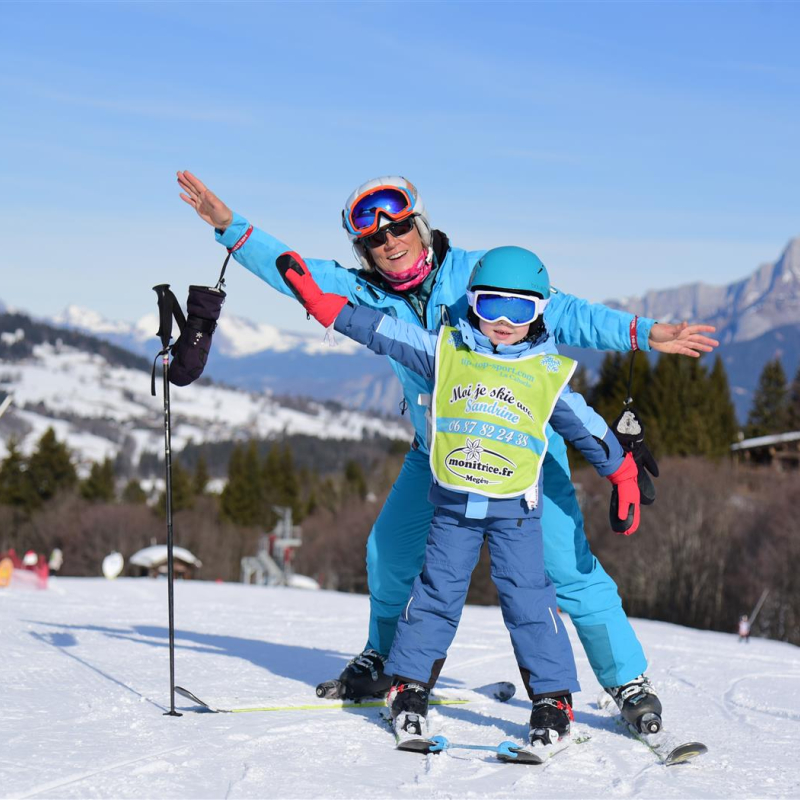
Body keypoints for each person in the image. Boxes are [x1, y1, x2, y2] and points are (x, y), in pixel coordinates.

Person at [177, 171, 718, 727]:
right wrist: (228, 226)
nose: (390, 242)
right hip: (439, 454)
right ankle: (383, 659)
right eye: (374, 238)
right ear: (364, 248)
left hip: (521, 454)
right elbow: (291, 270)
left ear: (419, 224)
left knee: (566, 568)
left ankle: (626, 680)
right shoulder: (362, 290)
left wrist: (645, 332)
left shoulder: (476, 274)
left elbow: (568, 313)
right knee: (388, 553)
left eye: (399, 227)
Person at [277, 246, 642, 753]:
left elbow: (590, 430)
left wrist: (623, 476)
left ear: (540, 312)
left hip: (517, 513)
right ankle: (409, 686)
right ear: (472, 303)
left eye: (521, 310)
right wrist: (324, 306)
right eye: (493, 306)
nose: (504, 323)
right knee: (434, 596)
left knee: (530, 602)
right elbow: (383, 332)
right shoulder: (446, 351)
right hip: (454, 509)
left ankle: (552, 699)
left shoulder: (546, 372)